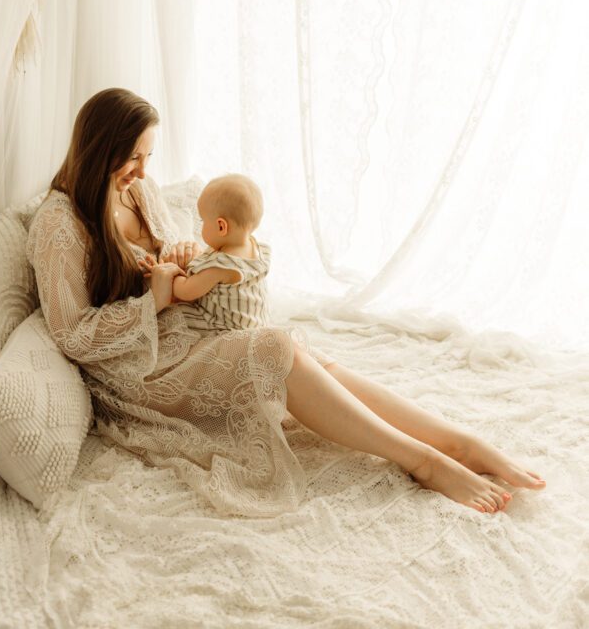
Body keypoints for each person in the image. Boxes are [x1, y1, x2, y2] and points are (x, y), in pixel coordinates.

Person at [27, 87, 546, 518]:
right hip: (142, 366)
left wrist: (180, 252)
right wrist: (153, 302)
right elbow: (71, 332)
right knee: (276, 350)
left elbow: (164, 249)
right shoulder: (59, 224)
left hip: (188, 328)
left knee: (304, 355)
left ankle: (456, 441)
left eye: (148, 157)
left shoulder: (135, 191)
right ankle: (424, 461)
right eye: (133, 157)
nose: (142, 170)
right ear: (99, 150)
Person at [166, 173, 271, 334]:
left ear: (221, 227)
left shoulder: (220, 266)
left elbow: (186, 292)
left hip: (225, 331)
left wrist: (170, 271)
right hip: (255, 325)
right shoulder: (254, 247)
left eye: (202, 220)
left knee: (169, 317)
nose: (200, 224)